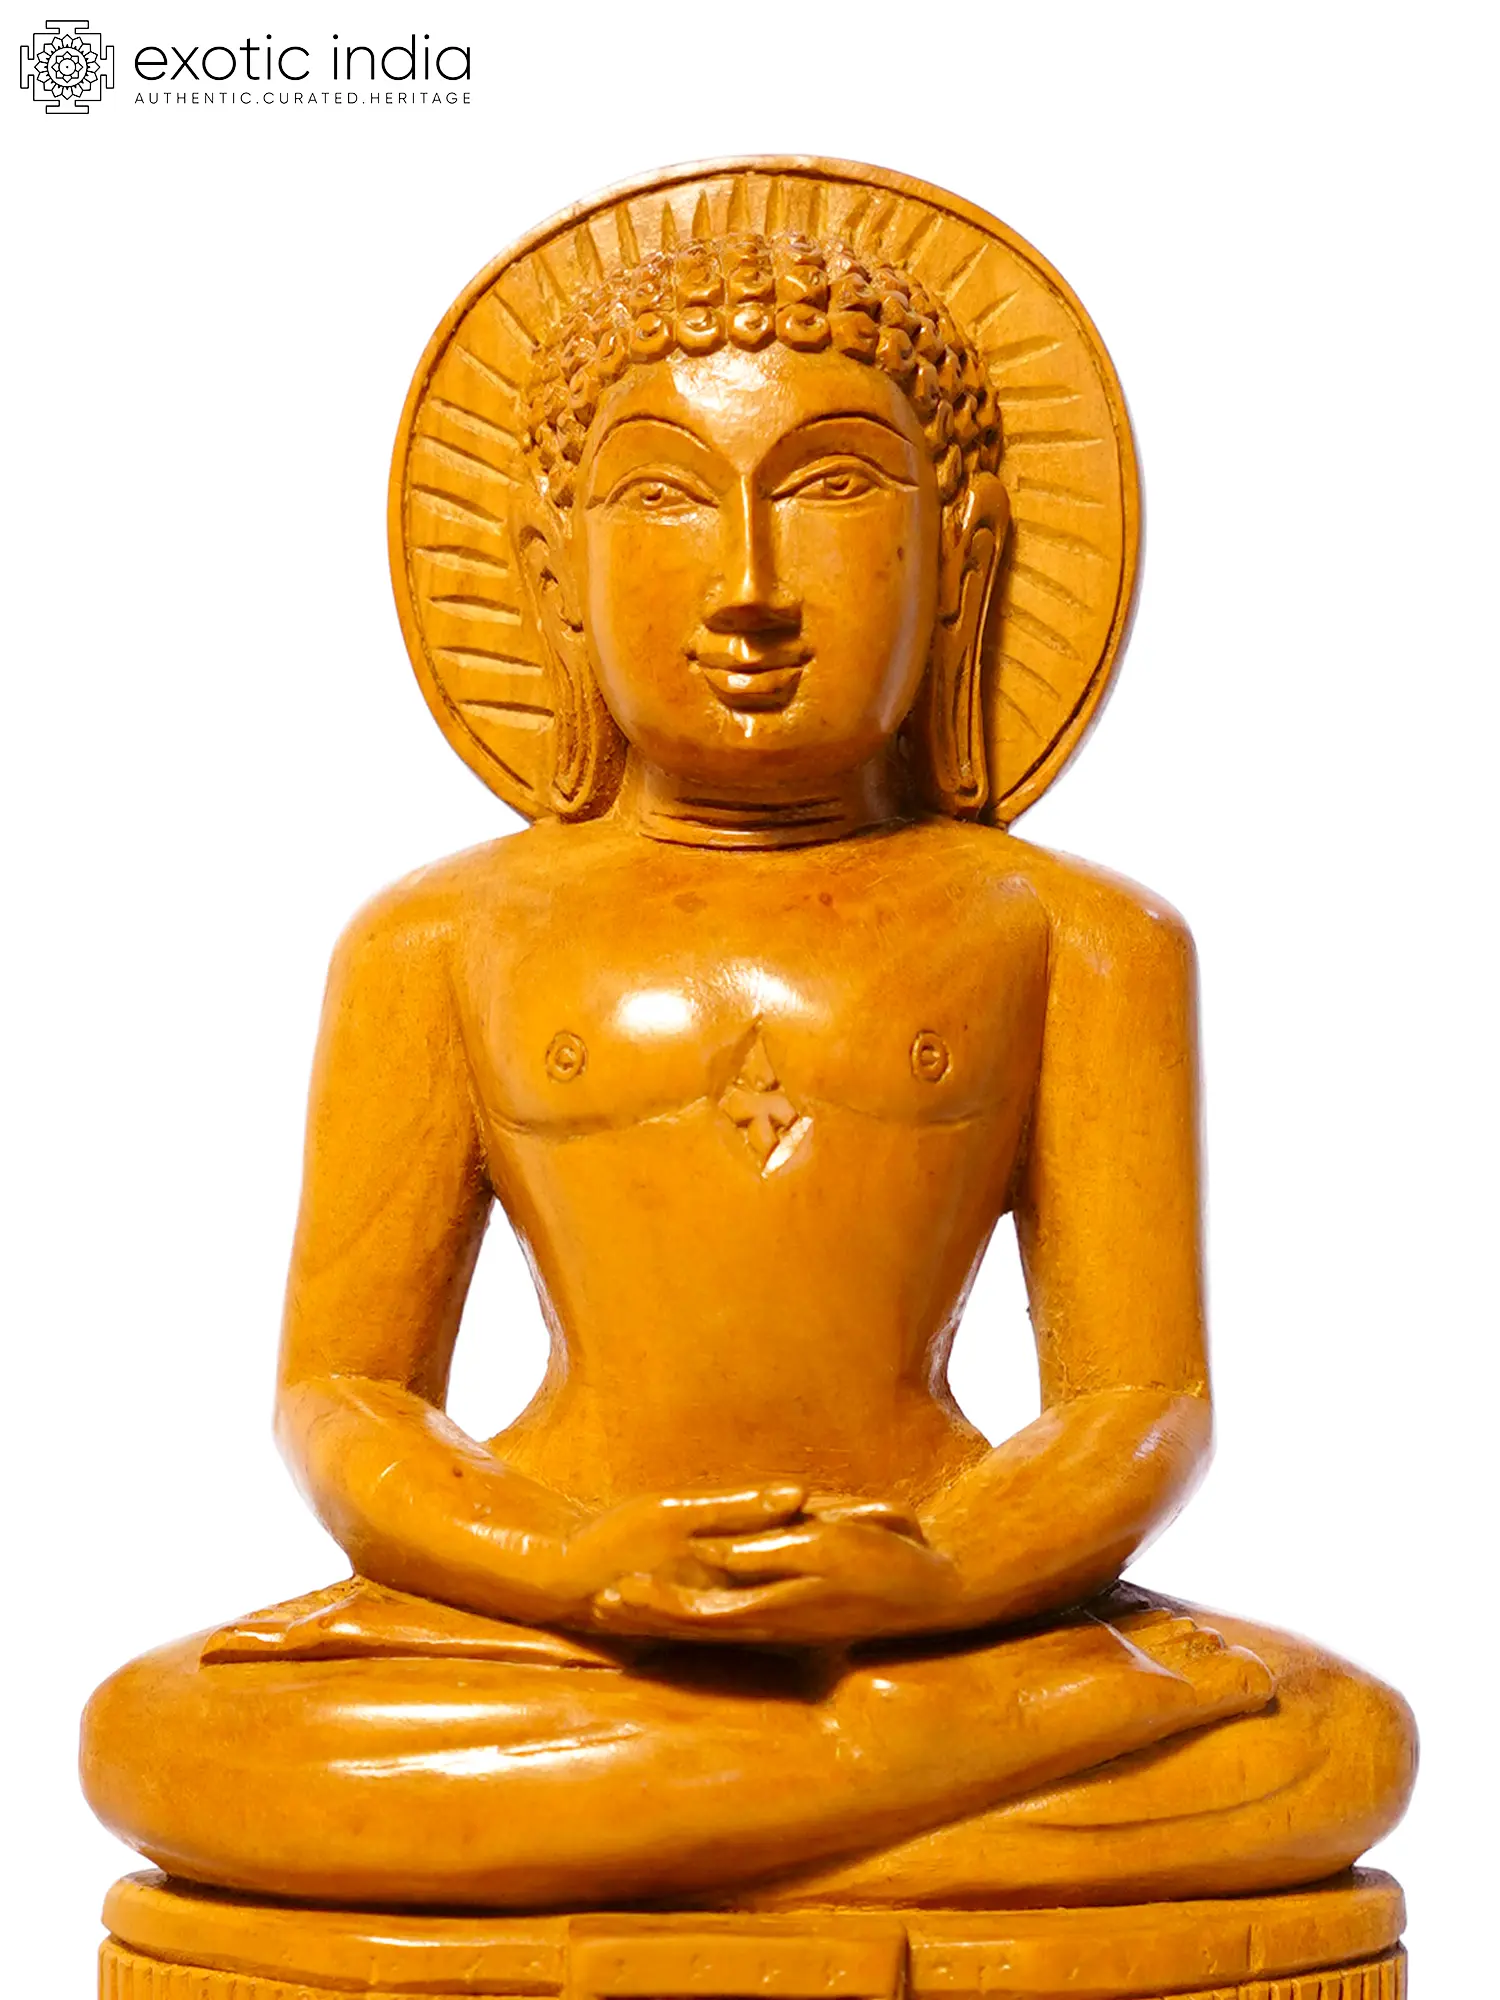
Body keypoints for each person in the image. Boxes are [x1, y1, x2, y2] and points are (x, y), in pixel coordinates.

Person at [81, 225, 1414, 1911]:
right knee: (157, 1736)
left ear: (964, 552)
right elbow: (343, 1395)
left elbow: (1138, 1401)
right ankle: (901, 1784)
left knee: (1334, 1740)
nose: (752, 580)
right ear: (552, 565)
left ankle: (694, 1815)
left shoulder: (1078, 935)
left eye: (835, 488)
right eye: (662, 497)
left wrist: (943, 1573)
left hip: (936, 1616)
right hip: (554, 1629)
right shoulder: (438, 939)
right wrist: (570, 1558)